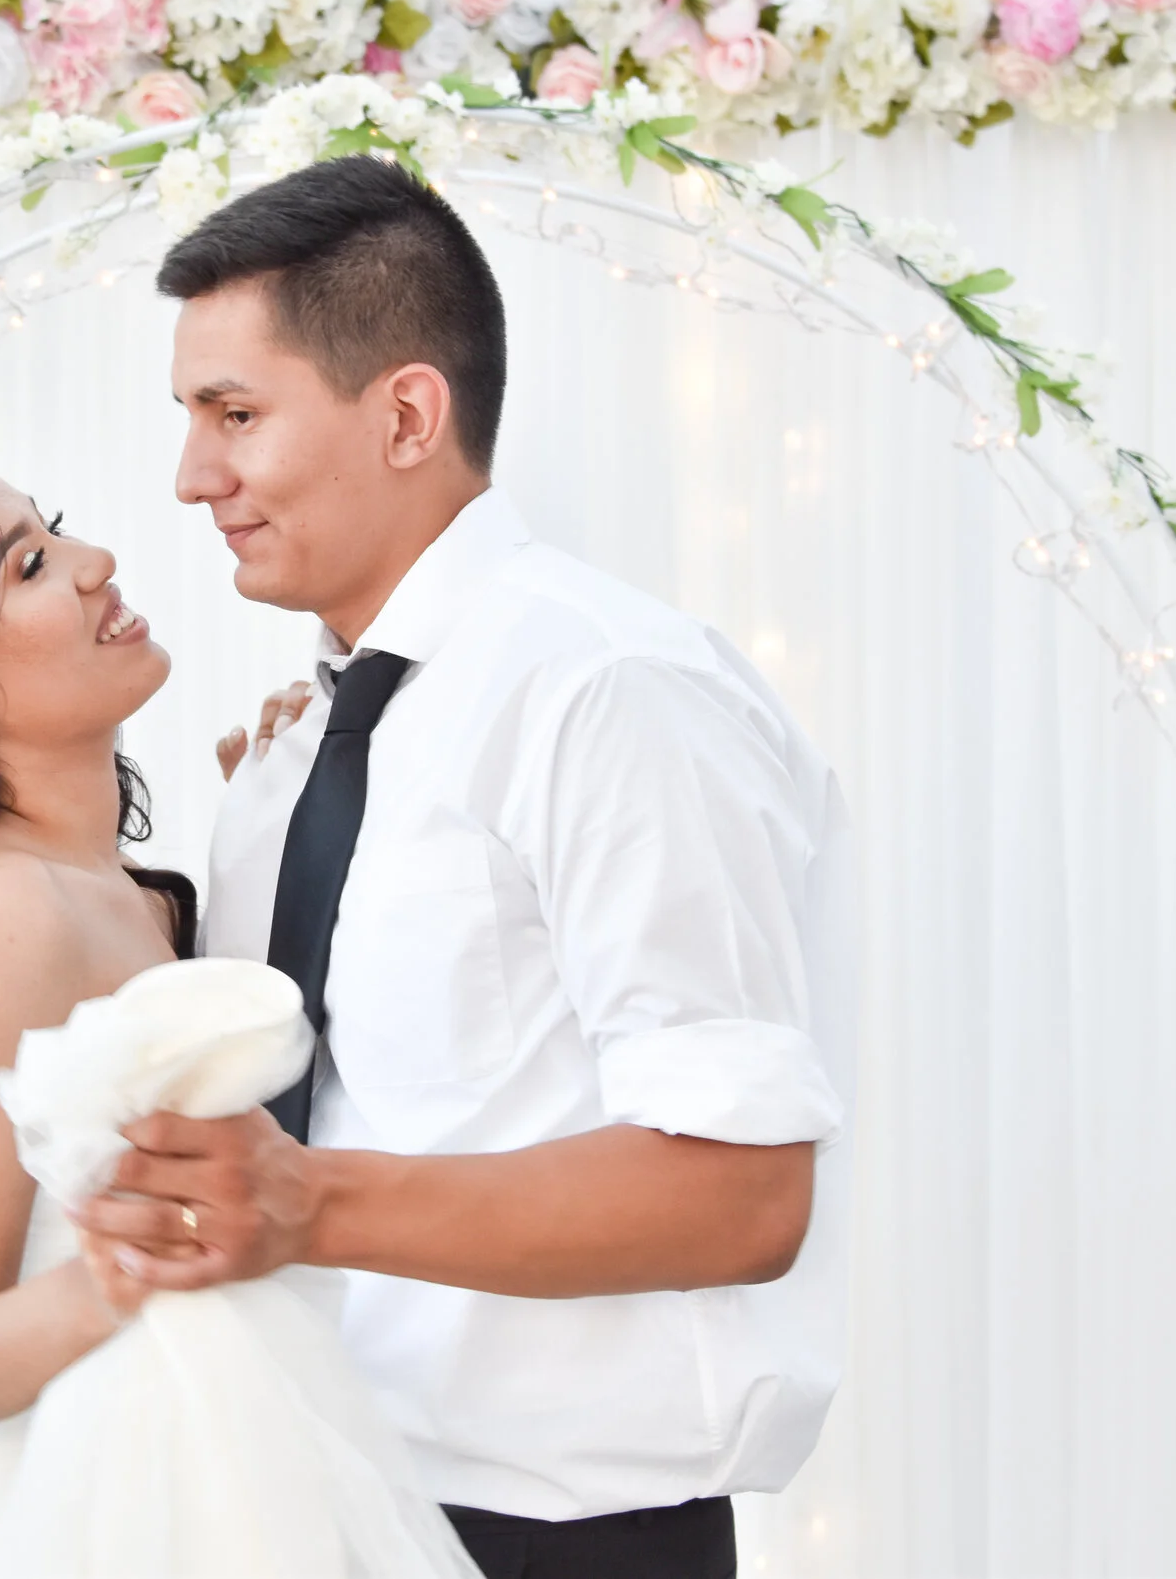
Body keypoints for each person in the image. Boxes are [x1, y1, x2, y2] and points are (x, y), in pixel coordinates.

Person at [63, 154, 855, 1579]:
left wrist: (314, 1200)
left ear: (408, 415)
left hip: (552, 1537)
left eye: (234, 414)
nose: (192, 477)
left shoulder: (608, 689)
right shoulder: (300, 748)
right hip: (297, 1502)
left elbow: (741, 1193)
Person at [0, 444, 478, 1577]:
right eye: (30, 565)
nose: (95, 561)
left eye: (56, 529)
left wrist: (289, 812)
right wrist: (133, 1263)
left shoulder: (129, 899)